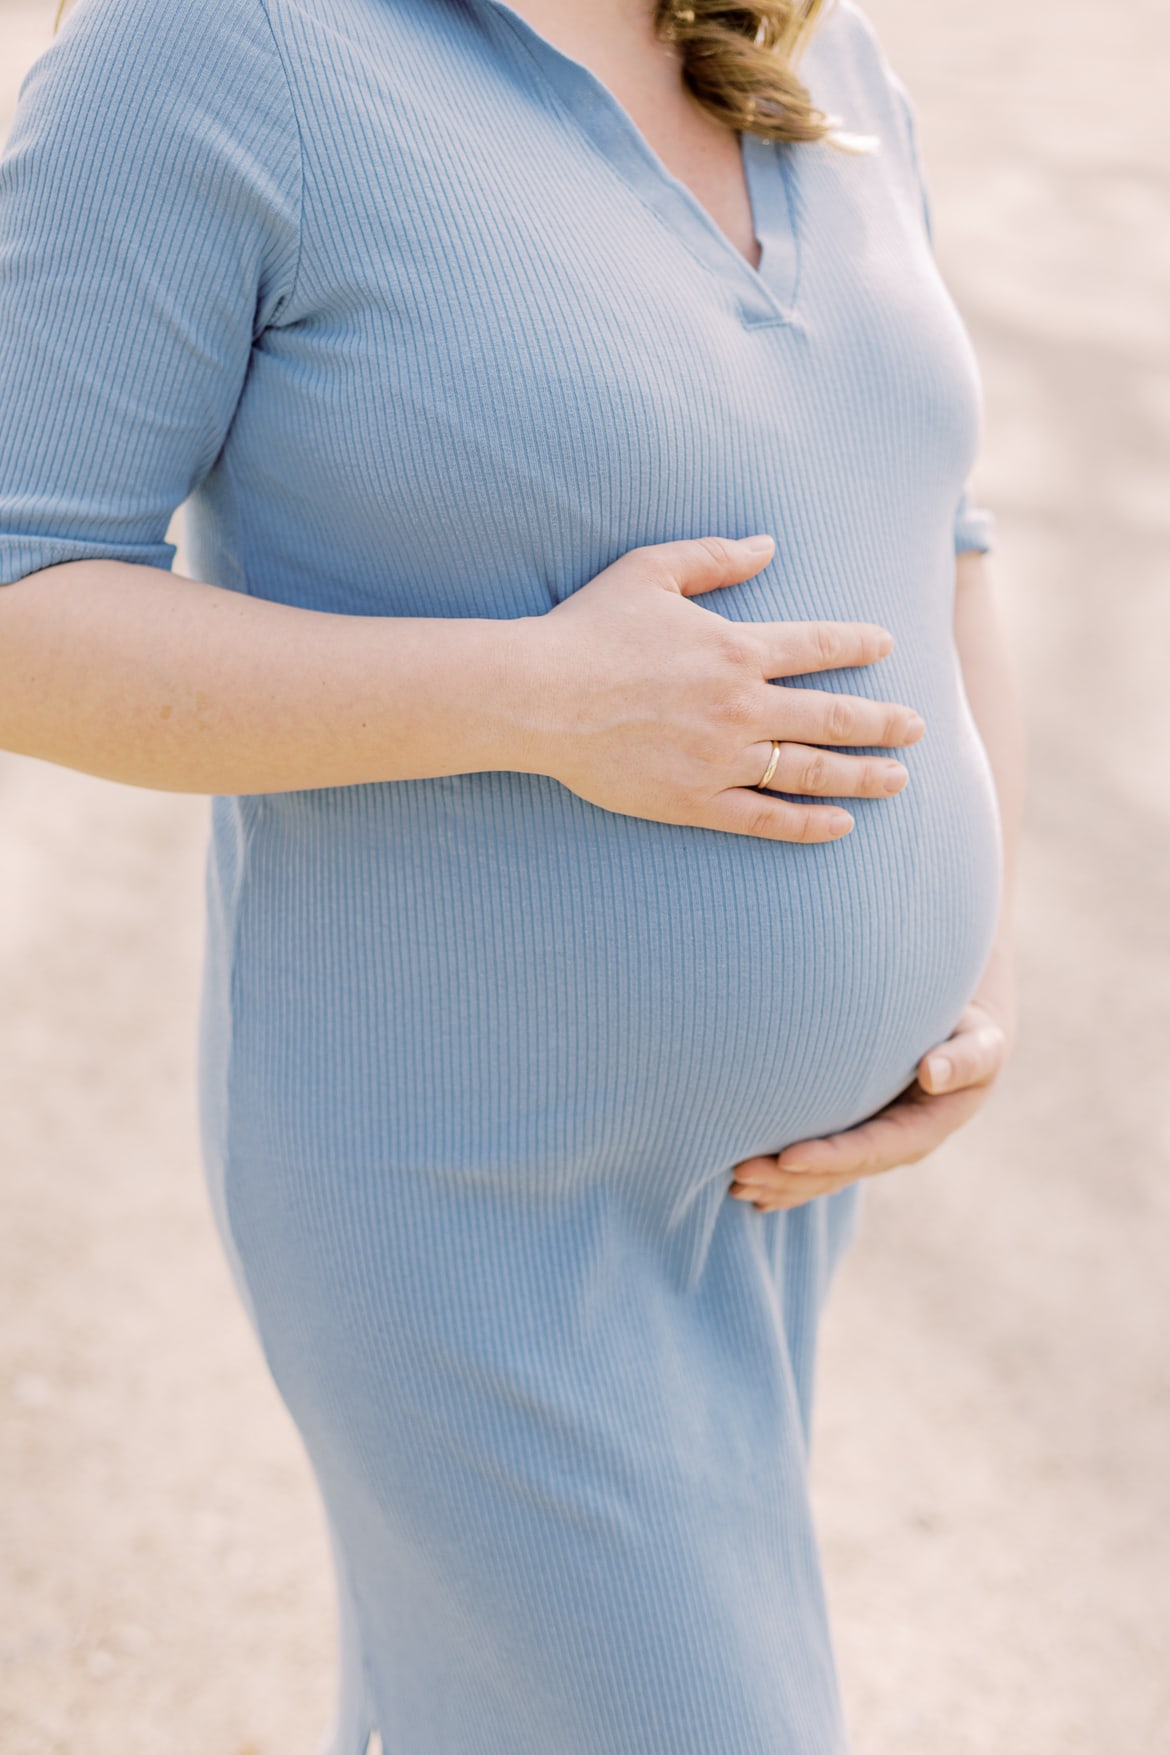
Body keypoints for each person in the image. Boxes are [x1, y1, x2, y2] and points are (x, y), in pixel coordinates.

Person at [0, 0, 1023, 1747]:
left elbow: (936, 528)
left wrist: (972, 977)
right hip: (467, 1180)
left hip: (776, 1198)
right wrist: (539, 701)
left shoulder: (808, 45)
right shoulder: (216, 49)